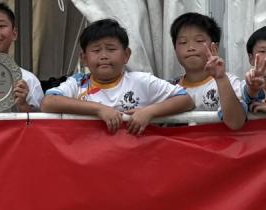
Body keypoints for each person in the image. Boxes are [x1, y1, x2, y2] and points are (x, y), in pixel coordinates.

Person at [41, 18, 194, 133]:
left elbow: (186, 100)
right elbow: (48, 102)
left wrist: (149, 112)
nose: (104, 56)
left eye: (111, 49)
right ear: (84, 58)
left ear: (126, 55)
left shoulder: (141, 81)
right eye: (96, 50)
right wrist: (99, 110)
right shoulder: (77, 83)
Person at [169, 12, 246, 130]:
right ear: (175, 49)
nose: (190, 48)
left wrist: (221, 78)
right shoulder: (169, 87)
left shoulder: (229, 82)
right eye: (183, 42)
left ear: (215, 46)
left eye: (199, 40)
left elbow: (236, 123)